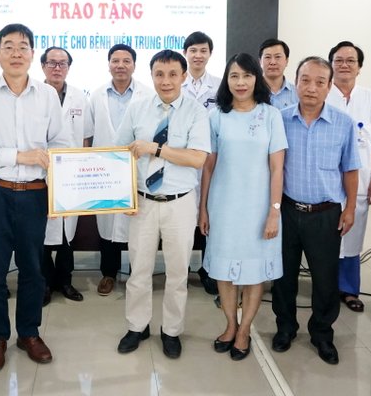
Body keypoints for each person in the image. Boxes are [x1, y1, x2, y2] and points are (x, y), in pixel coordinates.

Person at [0, 23, 70, 372]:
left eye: (23, 46)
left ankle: (29, 333)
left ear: (32, 54)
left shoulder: (47, 95)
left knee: (33, 270)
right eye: (8, 46)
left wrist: (59, 178)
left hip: (34, 195)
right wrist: (20, 156)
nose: (16, 53)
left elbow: (61, 143)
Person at [115, 50, 210, 359]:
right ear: (152, 75)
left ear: (184, 76)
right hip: (142, 202)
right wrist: (123, 196)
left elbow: (197, 158)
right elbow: (119, 154)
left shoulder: (196, 112)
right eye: (159, 74)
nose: (165, 81)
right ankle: (137, 326)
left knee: (178, 272)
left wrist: (155, 149)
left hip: (179, 203)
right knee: (139, 269)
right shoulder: (137, 108)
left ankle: (171, 330)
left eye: (172, 74)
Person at [199, 53, 287, 361]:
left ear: (256, 79)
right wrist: (203, 208)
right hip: (223, 206)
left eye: (247, 76)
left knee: (253, 272)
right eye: (234, 76)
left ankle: (245, 329)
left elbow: (277, 168)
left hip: (258, 208)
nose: (240, 82)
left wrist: (274, 210)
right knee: (223, 272)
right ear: (226, 80)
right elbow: (208, 167)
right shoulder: (216, 116)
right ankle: (230, 324)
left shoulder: (270, 116)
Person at [272, 56, 360, 365]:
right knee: (284, 276)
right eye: (305, 80)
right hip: (287, 210)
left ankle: (322, 334)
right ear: (296, 82)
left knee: (325, 278)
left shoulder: (343, 123)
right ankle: (285, 327)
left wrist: (350, 208)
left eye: (320, 82)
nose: (311, 88)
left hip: (326, 214)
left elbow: (350, 169)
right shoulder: (279, 120)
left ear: (329, 86)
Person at [327, 41, 371, 312]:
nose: (344, 65)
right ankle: (325, 288)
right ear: (331, 65)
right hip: (327, 182)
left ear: (359, 67)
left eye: (350, 61)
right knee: (325, 237)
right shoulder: (322, 95)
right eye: (338, 60)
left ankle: (348, 289)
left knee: (353, 236)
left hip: (360, 181)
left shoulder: (370, 98)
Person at [87, 44, 153, 296]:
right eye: (115, 61)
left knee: (137, 224)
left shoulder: (147, 95)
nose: (121, 65)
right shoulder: (96, 95)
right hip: (105, 169)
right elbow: (90, 133)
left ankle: (139, 275)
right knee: (107, 221)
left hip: (138, 168)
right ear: (108, 65)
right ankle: (108, 273)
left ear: (134, 65)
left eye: (126, 61)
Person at [40, 46, 90, 306]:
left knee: (67, 234)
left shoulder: (80, 97)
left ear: (69, 68)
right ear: (43, 66)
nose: (57, 68)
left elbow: (85, 137)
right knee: (42, 233)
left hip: (71, 174)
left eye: (62, 63)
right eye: (52, 63)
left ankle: (65, 281)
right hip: (40, 174)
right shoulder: (34, 95)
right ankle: (45, 283)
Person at [181, 31, 221, 296]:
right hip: (182, 160)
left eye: (203, 50)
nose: (198, 55)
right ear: (185, 53)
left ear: (210, 54)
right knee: (183, 218)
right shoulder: (176, 83)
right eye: (193, 50)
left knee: (210, 214)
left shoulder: (220, 86)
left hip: (211, 160)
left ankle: (208, 270)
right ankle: (181, 269)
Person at [259, 38, 299, 109]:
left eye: (278, 57)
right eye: (268, 57)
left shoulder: (298, 93)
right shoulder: (251, 91)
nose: (273, 62)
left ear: (286, 61)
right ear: (260, 61)